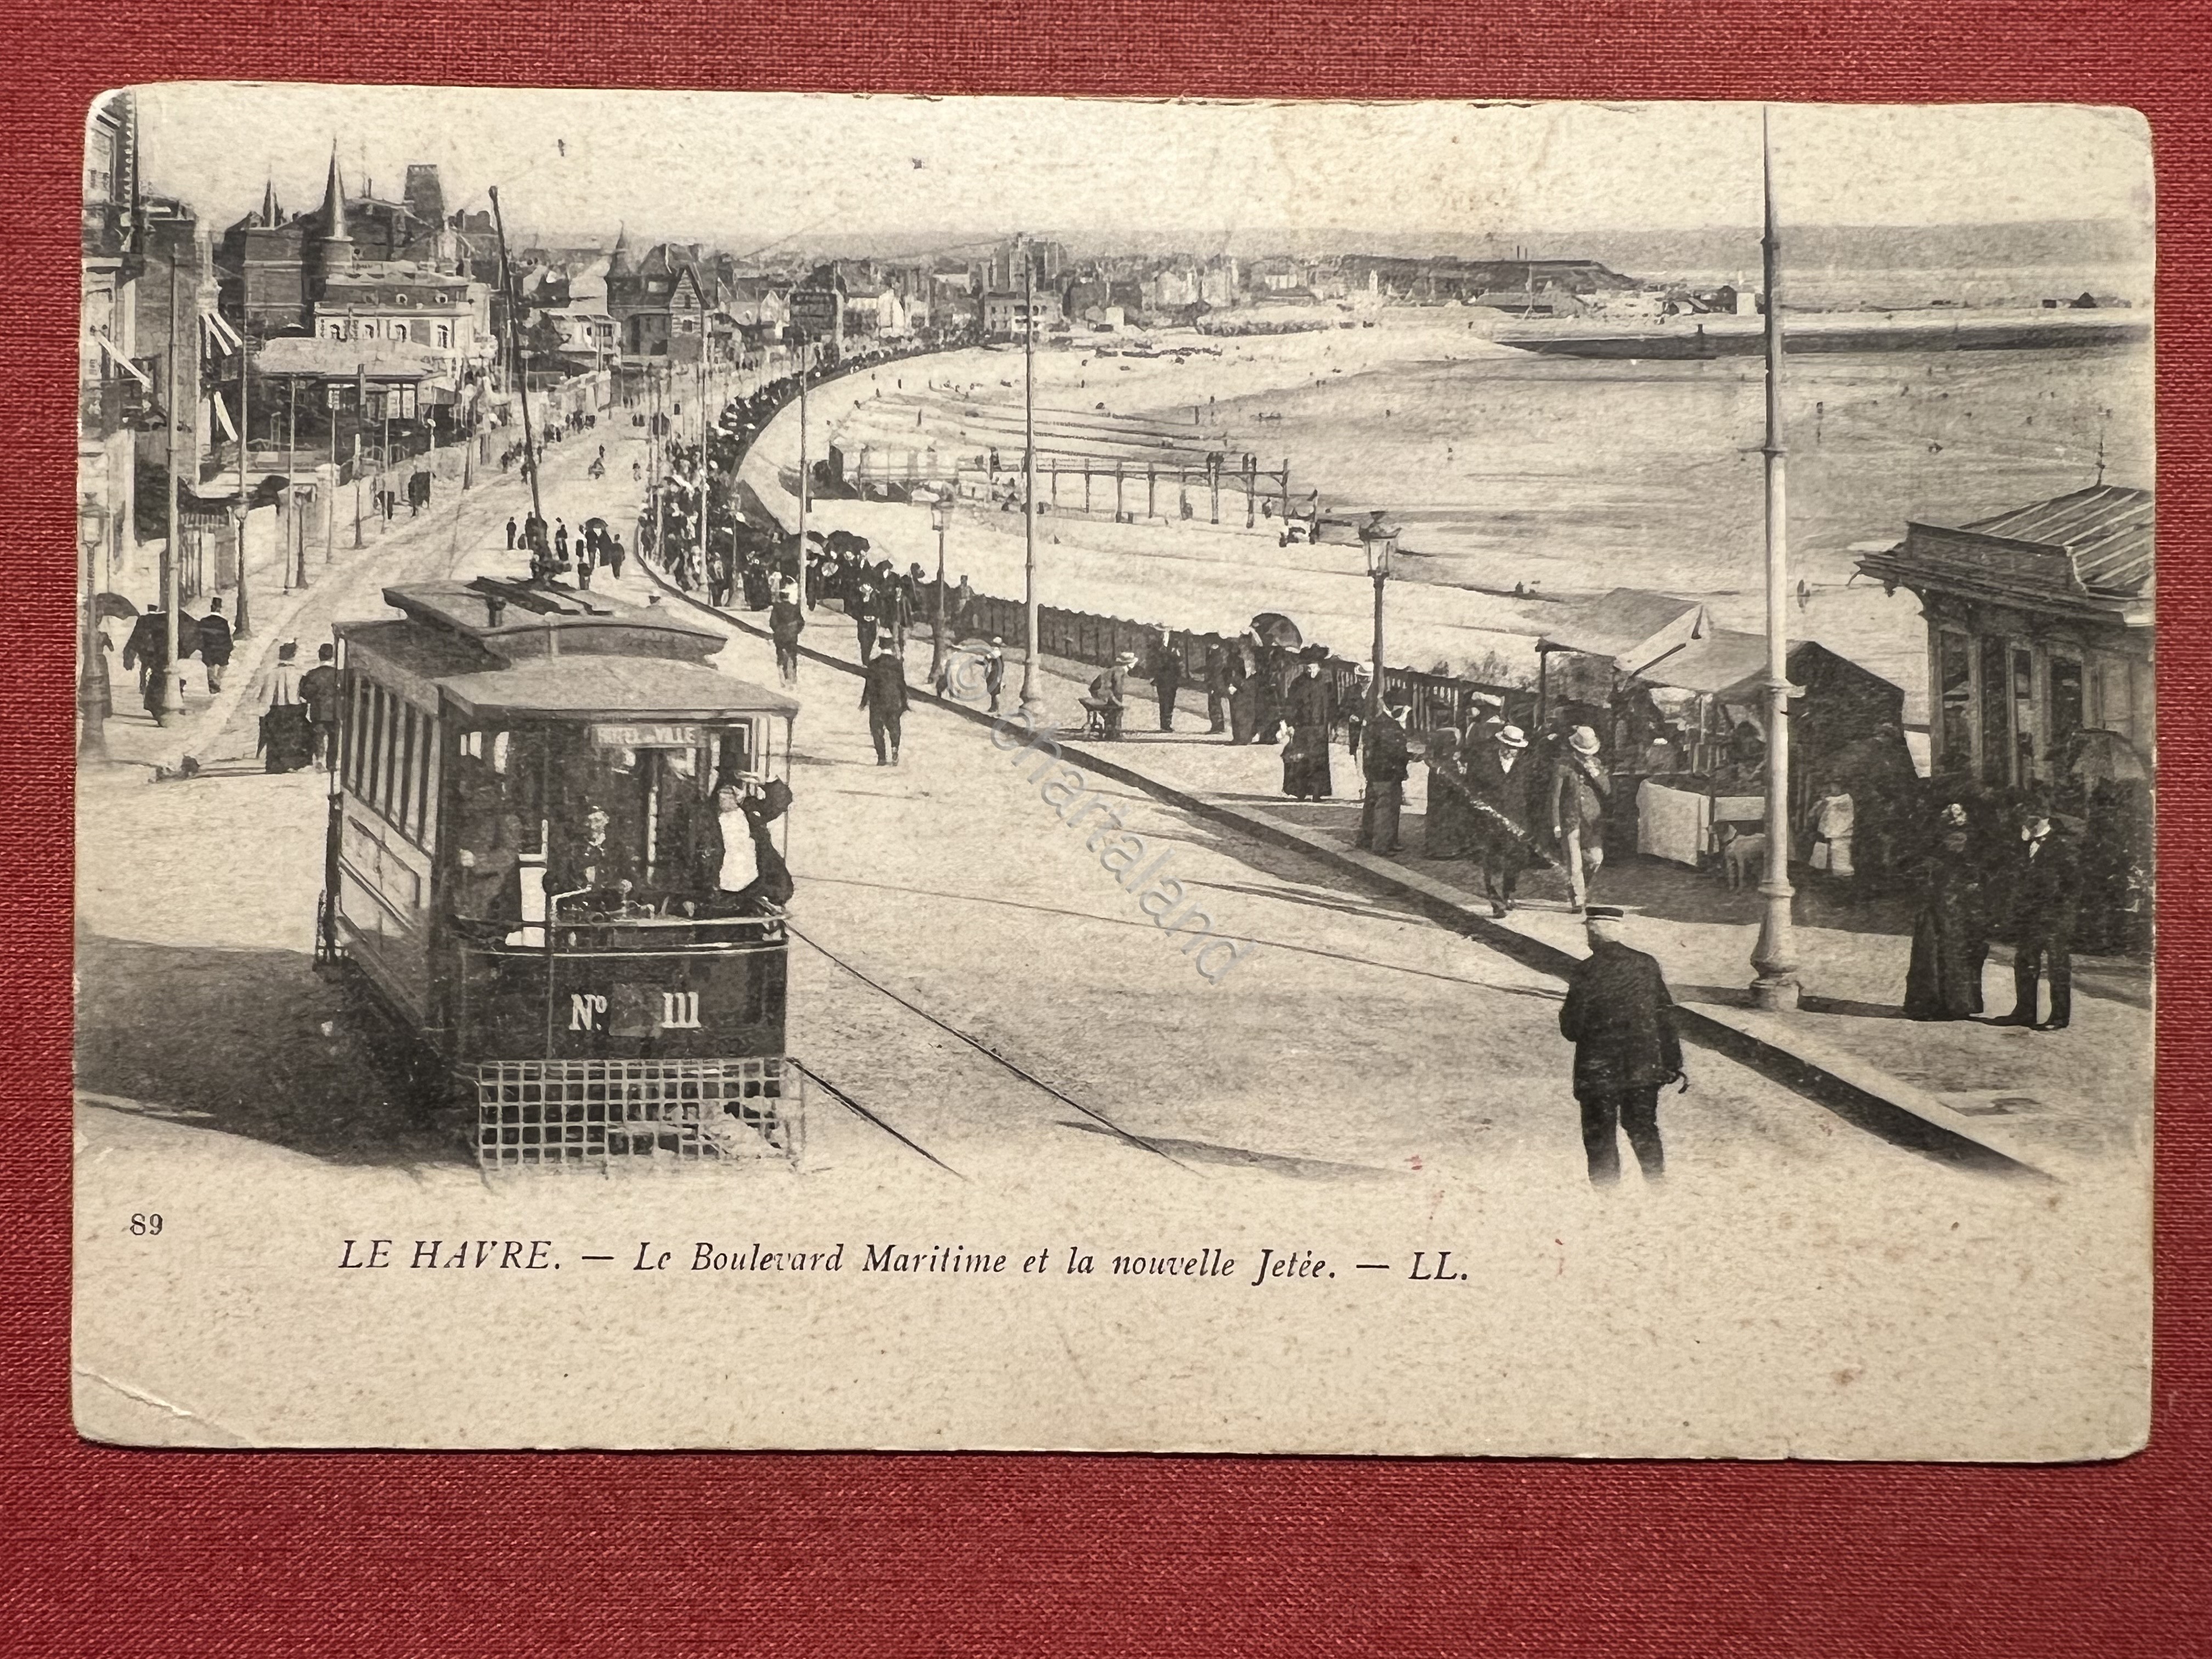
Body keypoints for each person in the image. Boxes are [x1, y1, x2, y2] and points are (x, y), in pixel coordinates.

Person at [1558, 906, 1685, 1186]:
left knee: (1600, 1134)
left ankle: (1608, 1198)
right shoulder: (1647, 964)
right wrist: (1672, 1061)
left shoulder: (1585, 971)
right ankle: (1658, 1187)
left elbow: (1571, 1029)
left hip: (1598, 1072)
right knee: (1643, 1127)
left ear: (1593, 936)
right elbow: (1665, 1015)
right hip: (1643, 1066)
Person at [1904, 802, 1990, 1020]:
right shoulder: (1934, 858)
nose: (1957, 843)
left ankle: (1959, 1004)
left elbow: (1977, 884)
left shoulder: (1970, 859)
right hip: (1936, 912)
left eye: (1961, 838)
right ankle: (1930, 1004)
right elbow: (1919, 879)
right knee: (1932, 956)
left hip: (1960, 914)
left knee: (1959, 956)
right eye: (1952, 838)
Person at [2000, 804, 2079, 1030]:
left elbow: (2074, 884)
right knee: (2025, 962)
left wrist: (2062, 913)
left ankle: (2059, 1017)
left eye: (2031, 818)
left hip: (2054, 917)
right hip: (2030, 916)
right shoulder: (2023, 843)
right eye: (2025, 818)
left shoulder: (2063, 845)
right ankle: (2024, 1012)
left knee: (2058, 966)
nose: (2026, 822)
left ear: (2045, 818)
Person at [1464, 723, 1539, 915]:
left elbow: (1533, 793)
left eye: (1515, 748)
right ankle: (1496, 900)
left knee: (1516, 858)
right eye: (1507, 746)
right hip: (1491, 820)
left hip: (1517, 820)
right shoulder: (1484, 760)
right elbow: (1472, 787)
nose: (1510, 751)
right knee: (1493, 860)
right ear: (1500, 743)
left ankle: (1509, 892)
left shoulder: (1527, 764)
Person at [1550, 725, 1611, 912]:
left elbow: (1607, 792)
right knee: (1574, 862)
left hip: (1591, 820)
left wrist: (1597, 775)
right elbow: (1555, 797)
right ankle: (1578, 898)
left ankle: (1579, 886)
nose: (1586, 756)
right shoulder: (1563, 766)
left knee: (1595, 859)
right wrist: (1556, 824)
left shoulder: (1597, 764)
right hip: (1570, 819)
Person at [1357, 699, 1412, 855]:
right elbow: (1394, 752)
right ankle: (1382, 846)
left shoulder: (1376, 723)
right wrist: (1408, 757)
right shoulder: (1391, 727)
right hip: (1388, 773)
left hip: (1375, 772)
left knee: (1373, 806)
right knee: (1386, 809)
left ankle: (1368, 840)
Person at [1281, 647, 1335, 800]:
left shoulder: (1326, 684)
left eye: (1314, 668)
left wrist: (1333, 725)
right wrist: (1290, 724)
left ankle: (1317, 793)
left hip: (1320, 729)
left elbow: (1331, 705)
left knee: (1318, 762)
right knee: (1301, 761)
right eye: (1308, 668)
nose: (1311, 671)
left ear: (1319, 667)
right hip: (1302, 728)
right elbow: (1290, 705)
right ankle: (1301, 792)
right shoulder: (1298, 683)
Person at [257, 642, 315, 774]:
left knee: (276, 737)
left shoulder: (272, 674)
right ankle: (294, 764)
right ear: (293, 655)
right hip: (295, 708)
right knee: (295, 736)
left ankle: (276, 765)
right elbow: (305, 695)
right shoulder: (298, 673)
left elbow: (265, 696)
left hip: (277, 709)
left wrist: (263, 712)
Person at [1423, 725, 1471, 859]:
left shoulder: (1437, 758)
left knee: (1441, 815)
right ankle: (1443, 850)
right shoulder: (1447, 761)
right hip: (1444, 790)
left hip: (1439, 788)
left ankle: (1436, 848)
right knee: (1444, 816)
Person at [860, 636, 909, 765]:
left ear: (880, 647)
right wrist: (904, 702)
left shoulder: (873, 664)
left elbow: (869, 684)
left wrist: (864, 701)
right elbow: (902, 685)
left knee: (876, 728)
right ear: (892, 648)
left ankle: (882, 757)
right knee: (894, 726)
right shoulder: (897, 664)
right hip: (894, 700)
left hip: (878, 701)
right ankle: (895, 749)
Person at [298, 644, 342, 772]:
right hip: (335, 710)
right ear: (332, 656)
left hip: (318, 710)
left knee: (318, 737)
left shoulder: (312, 674)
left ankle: (319, 760)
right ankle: (332, 764)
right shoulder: (338, 674)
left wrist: (312, 699)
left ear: (319, 656)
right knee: (334, 738)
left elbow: (305, 693)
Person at [1088, 652, 1135, 740]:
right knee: (1117, 709)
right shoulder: (1119, 672)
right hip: (1104, 695)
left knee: (1115, 707)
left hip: (1098, 693)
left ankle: (1111, 731)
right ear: (1129, 665)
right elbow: (1116, 691)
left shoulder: (1113, 670)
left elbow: (1094, 687)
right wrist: (1118, 703)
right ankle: (1114, 734)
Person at [195, 596, 234, 695]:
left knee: (210, 667)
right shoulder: (226, 622)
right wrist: (229, 648)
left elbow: (199, 636)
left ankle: (213, 684)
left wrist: (202, 648)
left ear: (211, 607)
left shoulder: (203, 621)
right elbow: (230, 637)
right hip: (222, 650)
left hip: (208, 650)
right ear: (220, 608)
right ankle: (217, 681)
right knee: (223, 667)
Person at [769, 582, 805, 685]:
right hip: (792, 636)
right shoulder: (795, 608)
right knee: (793, 656)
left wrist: (778, 630)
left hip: (780, 636)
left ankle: (783, 678)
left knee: (781, 656)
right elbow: (801, 622)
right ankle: (793, 678)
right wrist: (795, 631)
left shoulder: (777, 608)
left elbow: (772, 623)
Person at [1148, 629, 1184, 733]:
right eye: (1163, 635)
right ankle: (1164, 724)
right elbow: (1153, 661)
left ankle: (1168, 723)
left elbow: (1179, 661)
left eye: (1166, 635)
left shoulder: (1175, 645)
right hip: (1161, 679)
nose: (1164, 637)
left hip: (1172, 679)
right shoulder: (1156, 646)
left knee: (1170, 701)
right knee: (1163, 701)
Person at [1203, 641, 1234, 735]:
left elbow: (1213, 672)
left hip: (1215, 684)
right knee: (1216, 704)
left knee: (1214, 704)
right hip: (1219, 684)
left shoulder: (1215, 661)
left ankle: (1217, 726)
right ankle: (1219, 725)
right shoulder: (1222, 659)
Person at [983, 637, 1007, 715]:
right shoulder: (998, 652)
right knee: (994, 690)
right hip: (997, 672)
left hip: (995, 673)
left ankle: (998, 709)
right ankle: (994, 707)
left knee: (995, 691)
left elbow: (986, 659)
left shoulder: (995, 652)